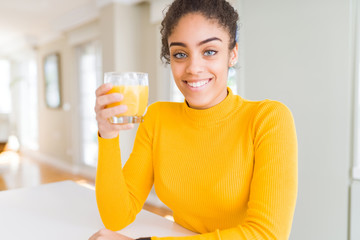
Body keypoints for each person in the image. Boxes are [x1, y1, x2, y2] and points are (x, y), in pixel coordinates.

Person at [90, 0, 298, 239]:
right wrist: (107, 135)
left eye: (209, 51)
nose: (193, 68)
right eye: (180, 54)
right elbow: (116, 216)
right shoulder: (157, 118)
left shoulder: (269, 119)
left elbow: (267, 234)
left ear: (232, 54)